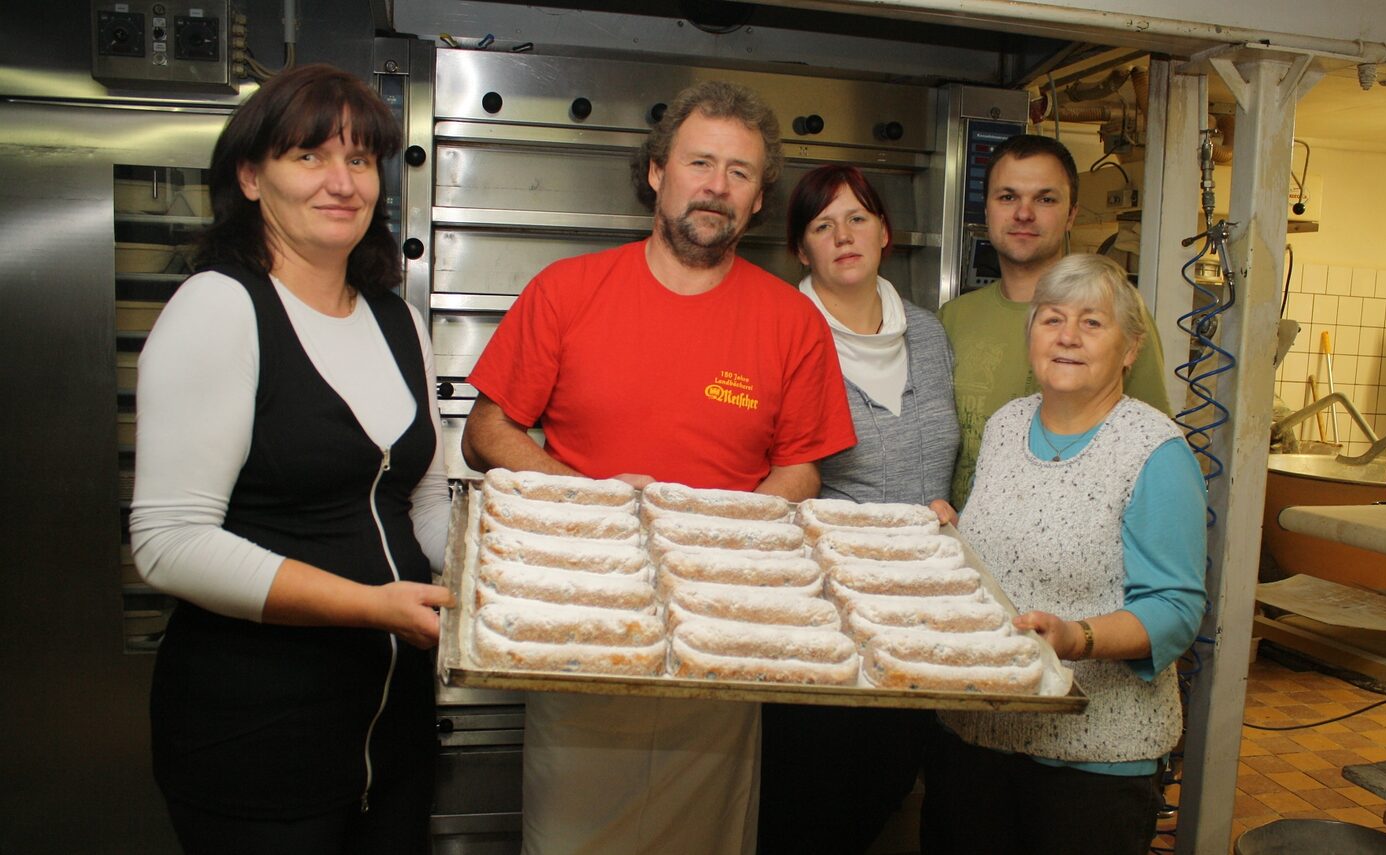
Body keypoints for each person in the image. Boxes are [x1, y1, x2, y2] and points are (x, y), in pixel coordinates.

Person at [460, 80, 856, 855]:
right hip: (581, 616)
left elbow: (802, 469)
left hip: (722, 630)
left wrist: (703, 544)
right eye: (700, 162)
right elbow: (488, 430)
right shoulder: (568, 291)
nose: (717, 186)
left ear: (758, 198)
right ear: (655, 172)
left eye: (740, 172)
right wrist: (604, 505)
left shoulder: (790, 321)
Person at [129, 64, 454, 854]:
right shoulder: (220, 307)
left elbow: (428, 500)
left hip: (392, 734)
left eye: (359, 158)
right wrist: (371, 604)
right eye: (309, 157)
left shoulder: (395, 319)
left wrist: (498, 583)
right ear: (249, 175)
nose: (341, 182)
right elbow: (169, 543)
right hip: (257, 737)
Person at [919, 253, 1206, 855]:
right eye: (1052, 319)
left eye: (1092, 323)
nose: (1068, 336)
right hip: (976, 737)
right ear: (1032, 338)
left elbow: (1176, 611)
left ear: (1130, 349)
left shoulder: (1155, 452)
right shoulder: (1005, 426)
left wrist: (1078, 639)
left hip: (1093, 761)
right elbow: (1002, 557)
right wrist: (950, 541)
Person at [757, 164, 958, 854]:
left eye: (858, 217)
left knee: (888, 782)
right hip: (822, 617)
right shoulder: (779, 332)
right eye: (822, 224)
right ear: (802, 250)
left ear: (885, 233)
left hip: (920, 612)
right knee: (807, 801)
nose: (843, 235)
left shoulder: (929, 334)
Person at [939, 133, 1171, 508]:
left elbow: (1150, 453)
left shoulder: (1113, 316)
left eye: (1045, 199)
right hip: (967, 551)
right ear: (987, 212)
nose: (1024, 213)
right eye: (1007, 197)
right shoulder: (954, 318)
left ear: (1072, 214)